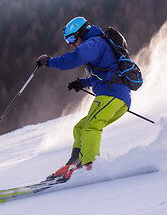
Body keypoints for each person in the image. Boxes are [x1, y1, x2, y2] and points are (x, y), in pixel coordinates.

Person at [36, 16, 131, 180]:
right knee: (80, 128)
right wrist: (83, 82)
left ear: (82, 32)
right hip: (117, 96)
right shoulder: (98, 43)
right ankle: (74, 163)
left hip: (112, 94)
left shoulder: (93, 43)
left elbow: (75, 58)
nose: (71, 43)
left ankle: (90, 166)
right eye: (67, 40)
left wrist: (49, 62)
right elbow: (105, 74)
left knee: (91, 128)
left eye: (72, 38)